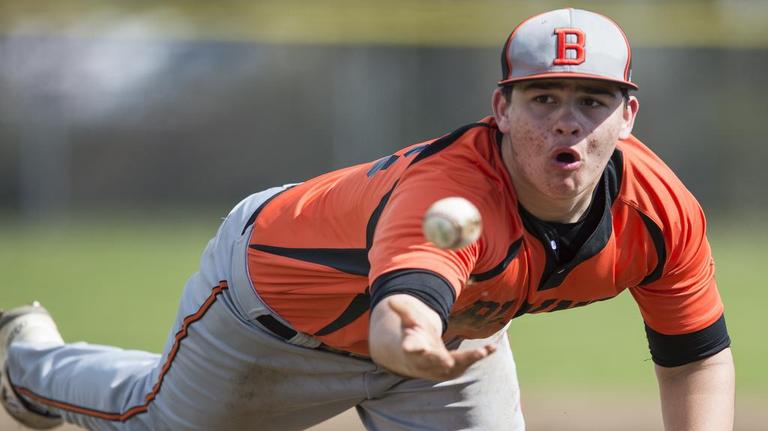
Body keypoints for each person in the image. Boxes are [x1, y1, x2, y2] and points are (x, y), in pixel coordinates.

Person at [0, 7, 734, 431]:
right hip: (276, 311)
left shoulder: (662, 214)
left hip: (446, 351)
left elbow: (696, 356)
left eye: (592, 101)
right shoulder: (450, 193)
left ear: (628, 117)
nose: (567, 124)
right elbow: (402, 313)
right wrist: (409, 339)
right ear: (502, 110)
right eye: (543, 99)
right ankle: (27, 363)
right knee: (151, 419)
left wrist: (423, 351)